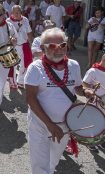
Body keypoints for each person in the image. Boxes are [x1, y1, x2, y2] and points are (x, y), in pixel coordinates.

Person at [25, 27, 96, 174]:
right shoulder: (35, 68)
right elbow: (30, 98)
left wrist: (85, 92)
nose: (59, 50)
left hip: (65, 124)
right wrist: (49, 124)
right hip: (40, 123)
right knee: (40, 165)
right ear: (43, 49)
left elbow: (76, 87)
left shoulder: (74, 65)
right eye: (53, 46)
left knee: (53, 162)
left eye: (62, 45)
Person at [7, 5, 33, 89]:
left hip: (23, 45)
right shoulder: (8, 21)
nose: (17, 14)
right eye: (15, 12)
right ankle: (12, 81)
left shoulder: (25, 20)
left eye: (19, 12)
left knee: (25, 64)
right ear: (12, 12)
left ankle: (21, 81)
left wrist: (31, 42)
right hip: (13, 46)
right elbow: (5, 34)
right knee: (13, 65)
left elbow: (29, 32)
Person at [82, 53, 105, 150]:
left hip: (103, 100)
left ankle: (101, 141)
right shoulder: (93, 71)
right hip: (93, 99)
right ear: (104, 59)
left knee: (103, 121)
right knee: (92, 120)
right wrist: (92, 88)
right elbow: (84, 84)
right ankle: (90, 141)